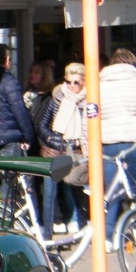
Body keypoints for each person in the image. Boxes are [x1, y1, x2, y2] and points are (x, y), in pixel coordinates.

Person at [100, 48, 136, 240]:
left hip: (108, 141)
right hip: (134, 140)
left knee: (111, 192)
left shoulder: (99, 85)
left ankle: (107, 237)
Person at [38, 63, 88, 238]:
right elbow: (41, 124)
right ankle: (48, 231)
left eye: (76, 82)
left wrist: (79, 143)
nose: (71, 86)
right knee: (50, 192)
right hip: (55, 150)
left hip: (76, 151)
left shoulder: (87, 102)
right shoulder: (56, 98)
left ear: (84, 82)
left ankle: (77, 221)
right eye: (68, 82)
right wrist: (52, 138)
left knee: (74, 189)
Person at [23, 61, 55, 154]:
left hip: (41, 142)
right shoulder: (27, 94)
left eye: (36, 72)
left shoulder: (48, 97)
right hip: (29, 141)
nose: (32, 74)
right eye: (31, 71)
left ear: (44, 76)